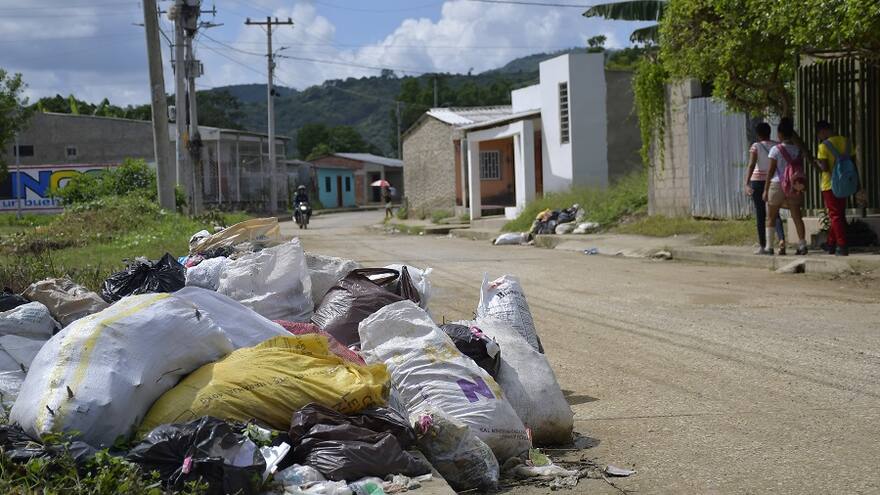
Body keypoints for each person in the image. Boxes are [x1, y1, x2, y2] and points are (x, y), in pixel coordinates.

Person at [764, 118, 808, 256]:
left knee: (771, 216)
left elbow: (771, 171)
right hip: (794, 185)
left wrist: (765, 189)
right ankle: (802, 245)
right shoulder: (797, 150)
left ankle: (769, 247)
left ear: (780, 134)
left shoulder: (775, 150)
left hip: (777, 184)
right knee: (796, 216)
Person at [744, 122, 785, 255]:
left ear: (758, 134)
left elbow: (751, 164)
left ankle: (764, 245)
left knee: (761, 214)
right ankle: (781, 240)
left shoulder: (756, 146)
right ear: (769, 132)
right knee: (774, 213)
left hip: (757, 181)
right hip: (773, 180)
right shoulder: (776, 146)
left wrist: (746, 183)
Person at [815, 121, 850, 256]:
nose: (819, 137)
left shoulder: (823, 146)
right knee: (839, 213)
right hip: (845, 181)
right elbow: (851, 161)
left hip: (829, 184)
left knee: (835, 216)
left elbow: (825, 168)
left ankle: (842, 246)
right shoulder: (846, 142)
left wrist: (817, 162)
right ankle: (831, 243)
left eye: (819, 134)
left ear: (823, 131)